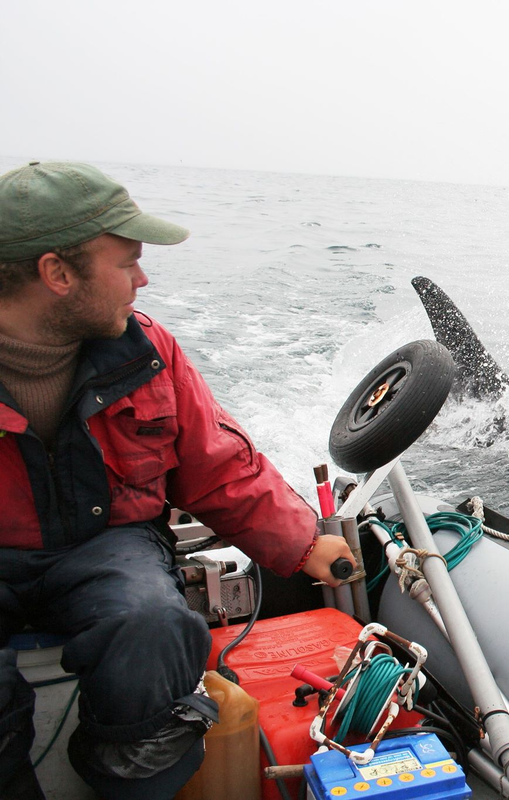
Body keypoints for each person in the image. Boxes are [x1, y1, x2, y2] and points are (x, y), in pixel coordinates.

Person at [0, 161, 356, 800]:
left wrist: (305, 543)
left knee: (155, 625)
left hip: (106, 544)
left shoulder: (146, 351)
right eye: (126, 263)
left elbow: (217, 464)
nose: (143, 278)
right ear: (56, 274)